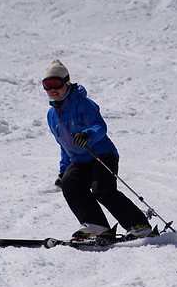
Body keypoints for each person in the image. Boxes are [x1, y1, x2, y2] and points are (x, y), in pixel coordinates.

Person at [42, 59, 153, 240]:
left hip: (101, 154)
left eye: (57, 83)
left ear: (66, 82)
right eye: (47, 85)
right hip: (79, 161)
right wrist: (63, 171)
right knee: (70, 183)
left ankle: (138, 225)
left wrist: (87, 135)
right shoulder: (51, 115)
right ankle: (96, 226)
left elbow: (99, 126)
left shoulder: (83, 104)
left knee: (102, 190)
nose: (52, 89)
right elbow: (64, 146)